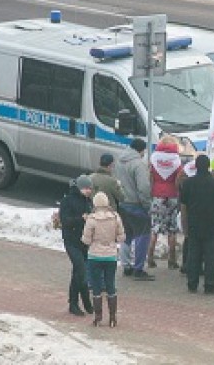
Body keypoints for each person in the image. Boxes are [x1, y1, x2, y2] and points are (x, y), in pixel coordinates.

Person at [180, 155, 214, 294]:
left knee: (193, 254)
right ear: (208, 166)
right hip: (211, 223)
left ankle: (192, 284)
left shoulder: (188, 183)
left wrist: (184, 224)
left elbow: (183, 205)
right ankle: (210, 284)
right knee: (209, 256)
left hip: (193, 222)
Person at [81, 192, 125, 327]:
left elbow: (86, 240)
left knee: (96, 287)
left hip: (95, 256)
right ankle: (112, 318)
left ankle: (98, 317)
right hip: (111, 255)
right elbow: (121, 238)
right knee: (110, 284)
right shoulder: (115, 217)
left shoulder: (92, 219)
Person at [115, 138, 154, 280]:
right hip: (137, 205)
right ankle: (138, 268)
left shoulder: (119, 161)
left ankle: (126, 265)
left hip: (123, 203)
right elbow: (143, 187)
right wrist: (147, 204)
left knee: (126, 235)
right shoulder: (138, 164)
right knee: (142, 236)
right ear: (141, 150)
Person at [59, 174, 94, 316]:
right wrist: (81, 219)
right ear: (79, 188)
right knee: (81, 270)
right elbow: (65, 221)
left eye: (90, 188)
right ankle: (84, 302)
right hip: (71, 240)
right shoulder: (68, 201)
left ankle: (74, 303)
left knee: (78, 272)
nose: (88, 191)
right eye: (86, 188)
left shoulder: (88, 201)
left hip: (84, 241)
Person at [148, 136, 183, 270]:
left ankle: (150, 258)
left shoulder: (154, 159)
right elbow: (179, 180)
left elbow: (150, 178)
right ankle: (172, 260)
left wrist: (152, 192)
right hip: (172, 196)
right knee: (172, 229)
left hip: (157, 196)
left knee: (155, 228)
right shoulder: (176, 161)